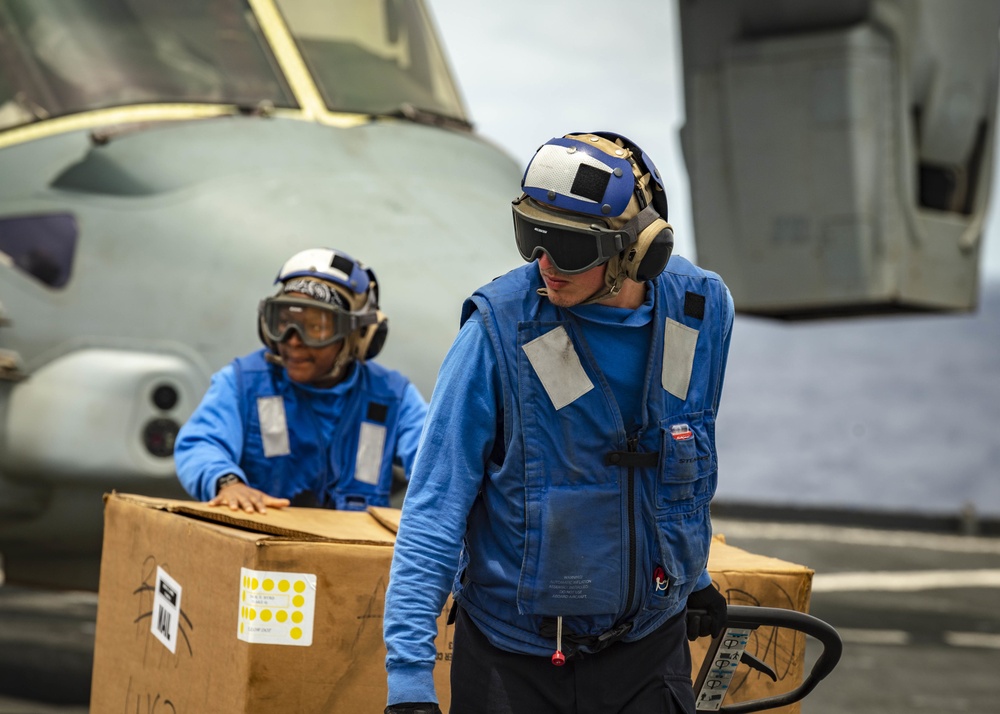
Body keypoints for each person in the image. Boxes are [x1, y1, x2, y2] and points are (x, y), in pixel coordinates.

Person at [382, 132, 735, 714]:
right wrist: (409, 681)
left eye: (569, 247)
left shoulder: (700, 313)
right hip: (513, 657)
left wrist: (690, 579)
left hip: (648, 644)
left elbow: (682, 451)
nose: (544, 265)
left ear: (637, 250)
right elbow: (435, 507)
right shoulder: (497, 333)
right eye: (532, 238)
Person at [174, 247, 428, 514]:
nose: (293, 340)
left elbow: (437, 467)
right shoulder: (243, 383)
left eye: (316, 327)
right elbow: (200, 444)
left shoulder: (393, 398)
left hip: (356, 551)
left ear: (360, 335)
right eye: (284, 322)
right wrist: (227, 484)